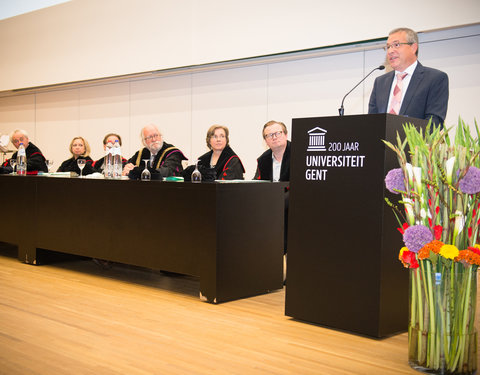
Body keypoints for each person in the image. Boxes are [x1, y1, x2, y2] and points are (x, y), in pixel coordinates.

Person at [368, 27, 449, 126]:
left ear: (413, 48)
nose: (390, 51)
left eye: (396, 45)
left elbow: (434, 122)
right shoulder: (380, 82)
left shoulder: (435, 79)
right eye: (388, 47)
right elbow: (371, 122)